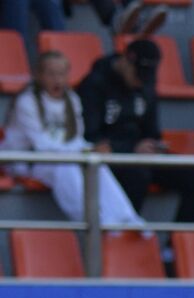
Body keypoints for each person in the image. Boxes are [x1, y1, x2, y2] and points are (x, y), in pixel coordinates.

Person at [0, 51, 145, 229]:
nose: (57, 80)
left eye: (61, 74)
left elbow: (76, 139)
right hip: (26, 160)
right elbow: (42, 145)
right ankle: (94, 220)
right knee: (67, 167)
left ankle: (126, 217)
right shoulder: (26, 102)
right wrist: (79, 153)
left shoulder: (73, 99)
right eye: (51, 74)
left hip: (61, 157)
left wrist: (91, 149)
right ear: (38, 75)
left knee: (95, 165)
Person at [77, 38, 194, 225]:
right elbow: (90, 136)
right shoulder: (93, 84)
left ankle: (177, 245)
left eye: (146, 76)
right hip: (111, 157)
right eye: (138, 74)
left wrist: (155, 146)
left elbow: (151, 131)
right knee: (138, 176)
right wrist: (130, 148)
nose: (141, 80)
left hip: (140, 154)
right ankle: (123, 239)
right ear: (126, 60)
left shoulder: (146, 86)